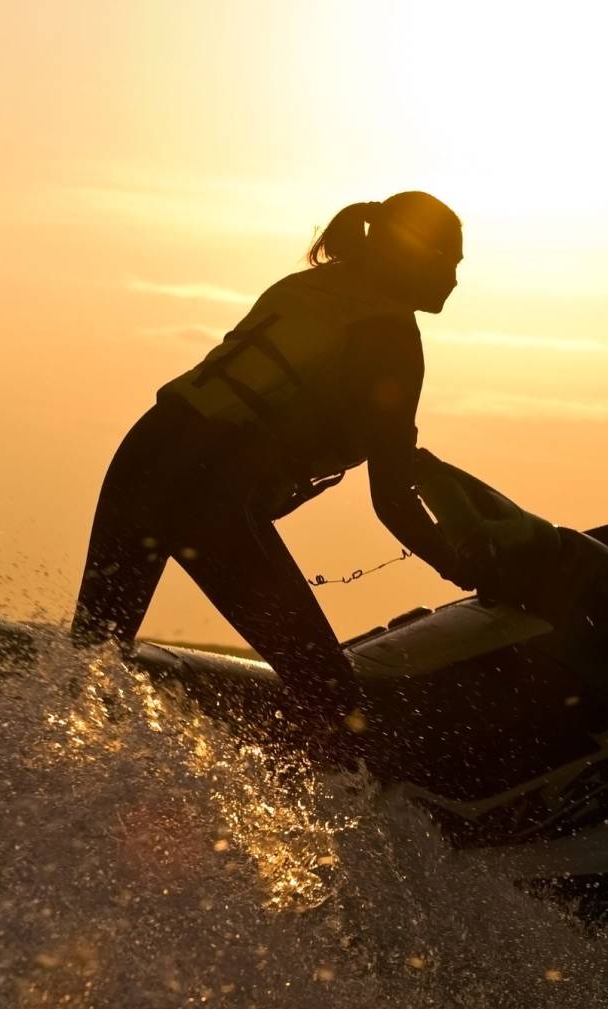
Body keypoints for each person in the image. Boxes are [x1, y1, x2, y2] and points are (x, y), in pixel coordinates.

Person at [71, 192, 474, 746]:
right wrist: (467, 571)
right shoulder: (390, 336)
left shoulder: (313, 289)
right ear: (414, 256)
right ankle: (320, 796)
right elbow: (392, 500)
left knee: (92, 654)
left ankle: (26, 767)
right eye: (448, 262)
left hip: (143, 455)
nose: (454, 279)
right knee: (336, 702)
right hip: (208, 495)